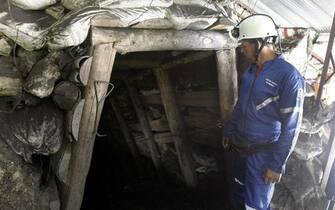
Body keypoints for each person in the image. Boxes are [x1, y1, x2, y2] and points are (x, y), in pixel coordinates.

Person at [222, 14, 306, 210]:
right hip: (240, 147)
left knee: (256, 206)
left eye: (246, 43)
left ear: (262, 42)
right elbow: (240, 106)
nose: (242, 48)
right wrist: (229, 131)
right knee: (238, 194)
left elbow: (292, 126)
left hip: (263, 155)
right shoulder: (250, 72)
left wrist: (277, 165)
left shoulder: (288, 77)